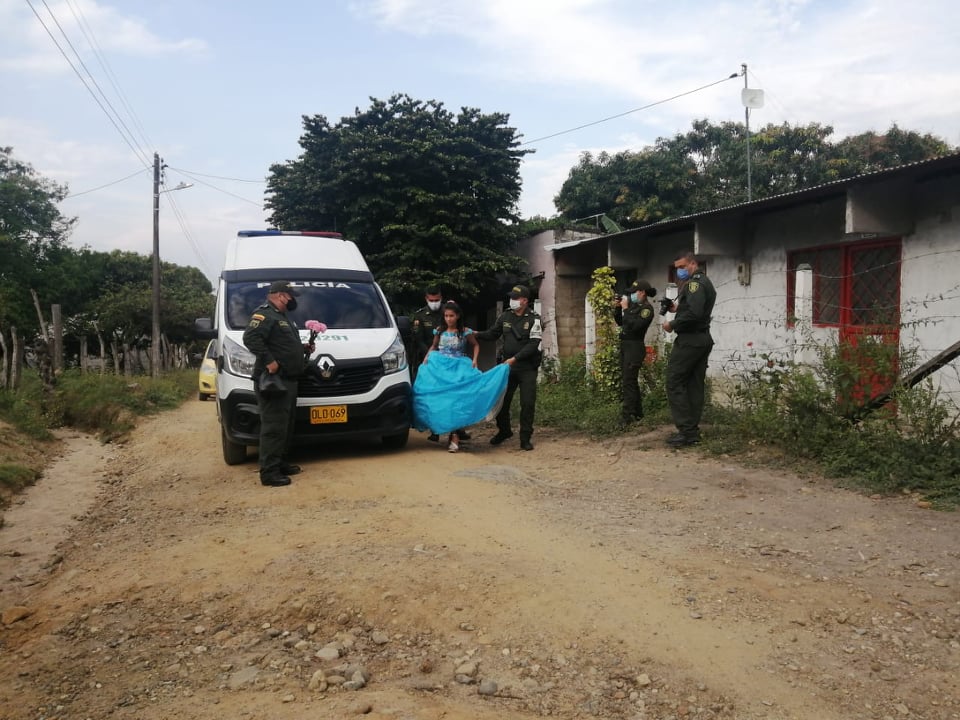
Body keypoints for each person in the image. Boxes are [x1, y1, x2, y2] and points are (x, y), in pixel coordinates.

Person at [242, 281, 315, 487]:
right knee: (274, 427)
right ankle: (269, 472)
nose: (293, 300)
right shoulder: (265, 314)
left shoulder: (282, 317)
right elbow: (251, 338)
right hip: (274, 381)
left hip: (289, 380)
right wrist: (270, 361)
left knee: (286, 426)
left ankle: (280, 462)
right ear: (281, 295)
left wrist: (302, 348)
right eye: (291, 296)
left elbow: (282, 343)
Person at [475, 285, 543, 451]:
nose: (512, 300)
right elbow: (492, 334)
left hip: (527, 368)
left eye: (515, 298)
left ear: (525, 301)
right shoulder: (505, 316)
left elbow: (533, 344)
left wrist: (515, 359)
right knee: (501, 401)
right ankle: (504, 431)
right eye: (511, 297)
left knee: (527, 403)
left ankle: (525, 437)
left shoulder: (534, 319)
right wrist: (474, 333)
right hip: (507, 367)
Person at [661, 252, 717, 447]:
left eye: (682, 267)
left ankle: (686, 430)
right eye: (677, 268)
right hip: (702, 338)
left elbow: (694, 314)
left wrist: (673, 324)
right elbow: (695, 309)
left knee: (674, 381)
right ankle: (691, 431)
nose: (679, 271)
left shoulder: (695, 284)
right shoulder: (702, 282)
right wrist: (677, 309)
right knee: (694, 384)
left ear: (693, 264)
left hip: (691, 340)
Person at [422, 301, 480, 452]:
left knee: (456, 400)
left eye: (451, 316)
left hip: (459, 367)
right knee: (440, 398)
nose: (449, 319)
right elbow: (434, 346)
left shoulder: (465, 332)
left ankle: (454, 436)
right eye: (446, 316)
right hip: (440, 367)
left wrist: (474, 360)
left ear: (458, 316)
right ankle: (438, 428)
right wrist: (427, 357)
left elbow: (476, 345)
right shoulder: (439, 331)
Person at [614, 279, 657, 428]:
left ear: (642, 292)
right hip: (626, 346)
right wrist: (617, 308)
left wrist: (625, 309)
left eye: (634, 292)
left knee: (629, 382)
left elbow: (635, 326)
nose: (631, 295)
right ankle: (638, 413)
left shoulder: (646, 309)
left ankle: (627, 417)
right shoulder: (633, 307)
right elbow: (622, 322)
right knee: (630, 381)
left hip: (635, 347)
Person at [409, 285, 446, 442]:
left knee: (450, 394)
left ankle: (457, 430)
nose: (435, 303)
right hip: (428, 361)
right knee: (431, 397)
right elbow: (419, 340)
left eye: (437, 300)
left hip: (447, 361)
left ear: (441, 297)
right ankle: (434, 430)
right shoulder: (420, 316)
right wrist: (431, 356)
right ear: (426, 299)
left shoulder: (448, 312)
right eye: (431, 300)